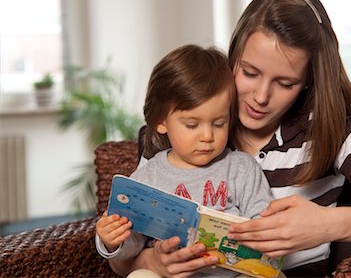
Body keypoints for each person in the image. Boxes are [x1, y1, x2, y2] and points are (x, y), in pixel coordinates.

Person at [108, 0, 351, 278]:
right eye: (249, 72)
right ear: (233, 55)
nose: (261, 96)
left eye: (285, 82)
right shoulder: (186, 131)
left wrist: (324, 225)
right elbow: (124, 256)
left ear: (309, 80)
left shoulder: (332, 131)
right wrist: (155, 261)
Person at [95, 44, 274, 277]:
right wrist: (111, 240)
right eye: (192, 125)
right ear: (161, 121)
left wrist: (258, 236)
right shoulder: (148, 177)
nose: (208, 136)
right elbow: (132, 245)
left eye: (219, 123)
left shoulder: (241, 168)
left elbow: (264, 221)